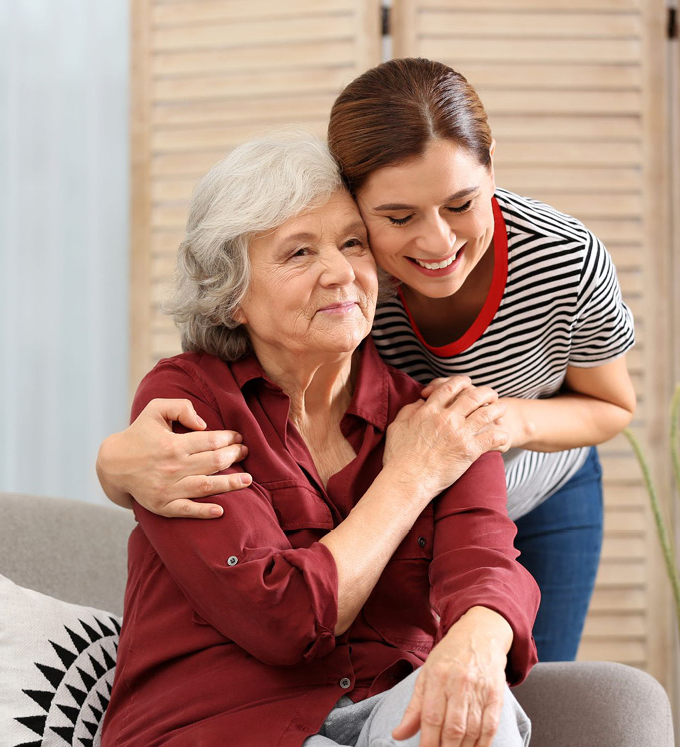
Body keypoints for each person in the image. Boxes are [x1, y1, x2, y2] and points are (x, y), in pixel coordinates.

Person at [96, 58, 635, 662]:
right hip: (420, 474)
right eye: (398, 217)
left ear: (492, 170)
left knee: (532, 673)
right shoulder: (355, 276)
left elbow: (612, 405)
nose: (437, 244)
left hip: (534, 476)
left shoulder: (564, 259)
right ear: (355, 201)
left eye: (461, 203)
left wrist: (500, 423)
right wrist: (112, 465)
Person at [99, 132, 539, 747]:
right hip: (223, 723)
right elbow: (281, 618)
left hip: (388, 706)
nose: (341, 272)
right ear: (232, 299)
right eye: (299, 253)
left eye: (353, 243)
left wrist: (478, 639)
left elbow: (486, 565)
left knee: (477, 712)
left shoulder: (437, 415)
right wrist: (409, 477)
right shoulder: (188, 402)